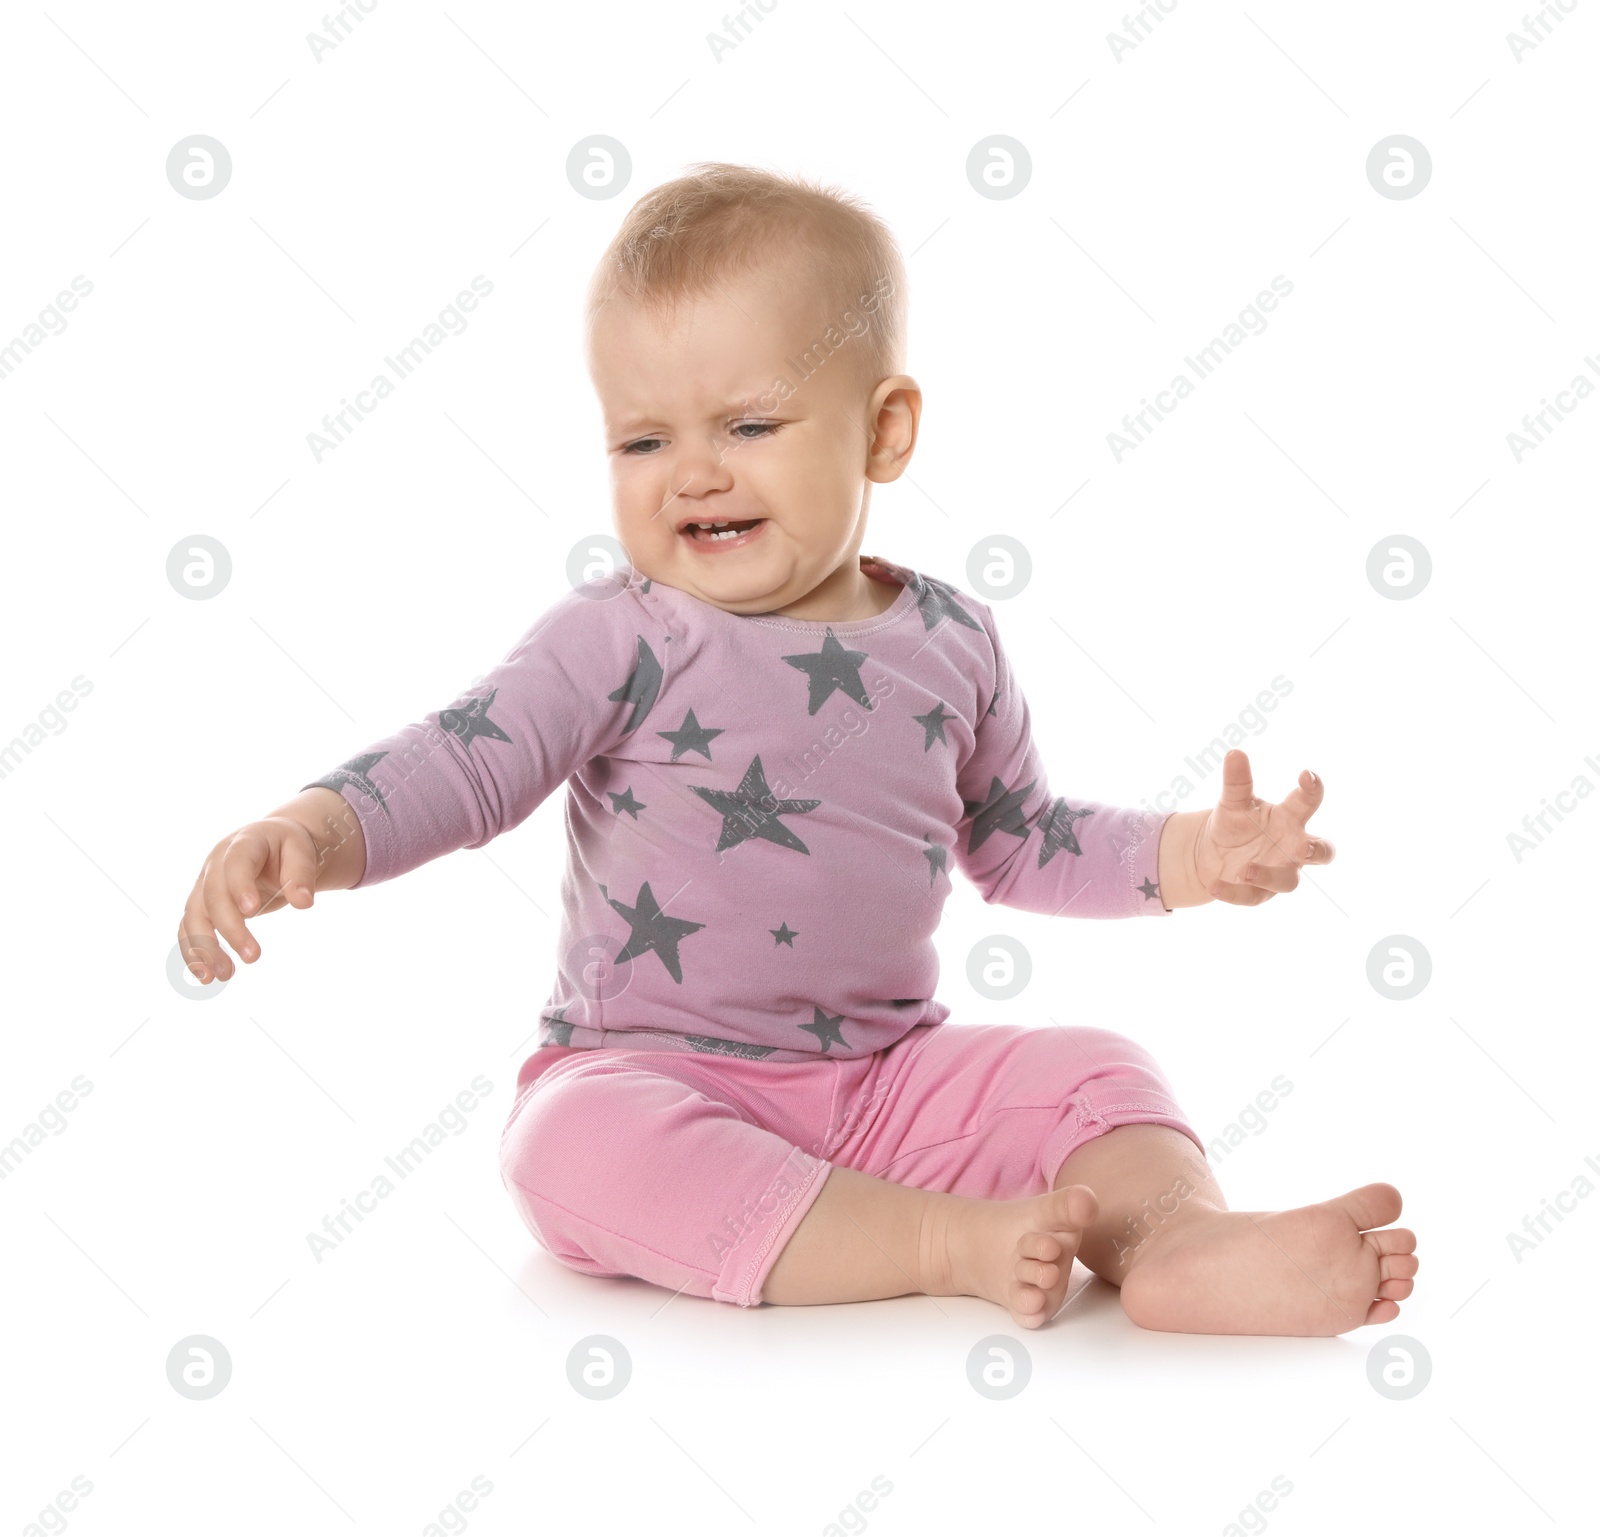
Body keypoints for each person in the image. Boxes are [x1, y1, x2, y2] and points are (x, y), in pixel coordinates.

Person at [177, 163, 1418, 1333]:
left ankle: (1173, 1244)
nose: (692, 473)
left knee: (1094, 1065)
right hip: (661, 1077)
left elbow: (1023, 843)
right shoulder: (619, 635)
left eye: (750, 423)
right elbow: (464, 759)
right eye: (643, 440)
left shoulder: (949, 640)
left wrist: (1199, 852)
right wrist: (316, 828)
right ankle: (947, 1246)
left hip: (888, 1084)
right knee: (566, 1149)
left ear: (881, 434)